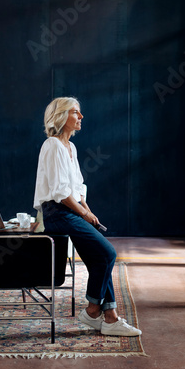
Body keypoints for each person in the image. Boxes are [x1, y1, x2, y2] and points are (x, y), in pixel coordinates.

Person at [33, 97, 141, 337]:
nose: (81, 117)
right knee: (108, 253)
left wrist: (87, 209)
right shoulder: (52, 145)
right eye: (75, 112)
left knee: (98, 260)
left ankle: (110, 318)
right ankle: (92, 311)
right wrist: (83, 212)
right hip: (57, 212)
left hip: (70, 210)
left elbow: (78, 186)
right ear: (61, 116)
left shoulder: (71, 147)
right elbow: (60, 194)